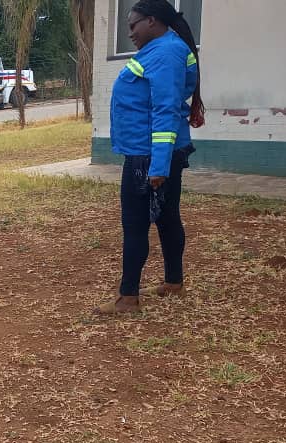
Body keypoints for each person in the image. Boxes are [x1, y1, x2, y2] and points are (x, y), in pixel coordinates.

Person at [95, 0, 204, 315]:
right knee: (168, 217)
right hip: (151, 152)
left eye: (133, 25)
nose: (130, 33)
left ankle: (128, 297)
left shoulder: (166, 53)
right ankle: (173, 282)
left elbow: (165, 111)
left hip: (148, 156)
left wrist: (157, 166)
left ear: (153, 21)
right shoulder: (164, 49)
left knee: (135, 224)